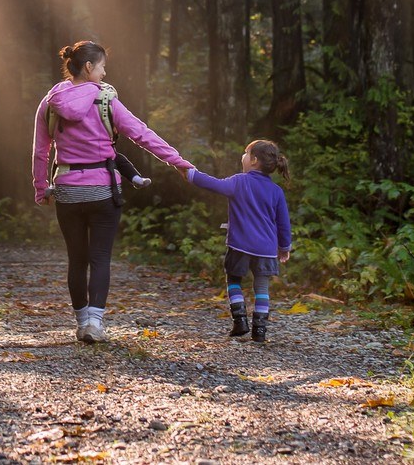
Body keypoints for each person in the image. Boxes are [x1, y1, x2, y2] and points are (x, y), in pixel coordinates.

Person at [32, 41, 193, 343]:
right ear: (89, 67)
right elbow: (142, 134)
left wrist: (41, 187)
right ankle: (95, 323)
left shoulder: (50, 101)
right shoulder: (106, 100)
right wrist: (178, 162)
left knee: (76, 259)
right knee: (100, 258)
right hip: (103, 190)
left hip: (67, 190)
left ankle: (81, 324)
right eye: (103, 67)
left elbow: (41, 151)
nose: (105, 74)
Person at [183, 140, 292, 343]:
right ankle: (260, 330)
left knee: (233, 280)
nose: (242, 157)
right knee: (262, 288)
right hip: (266, 249)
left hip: (240, 244)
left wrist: (190, 174)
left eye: (245, 153)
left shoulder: (239, 181)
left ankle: (240, 320)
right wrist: (284, 247)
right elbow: (283, 224)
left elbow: (213, 184)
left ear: (254, 160)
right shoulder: (276, 191)